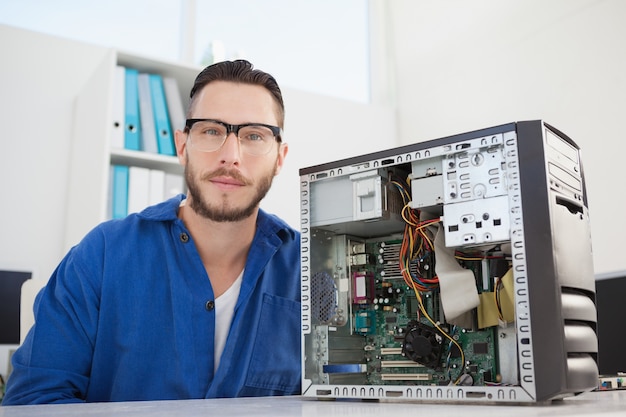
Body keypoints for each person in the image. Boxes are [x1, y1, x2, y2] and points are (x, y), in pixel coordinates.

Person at [2, 60, 301, 405]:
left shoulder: (311, 270)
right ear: (182, 145)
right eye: (211, 131)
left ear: (279, 158)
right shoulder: (101, 255)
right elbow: (33, 400)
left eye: (253, 136)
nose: (230, 156)